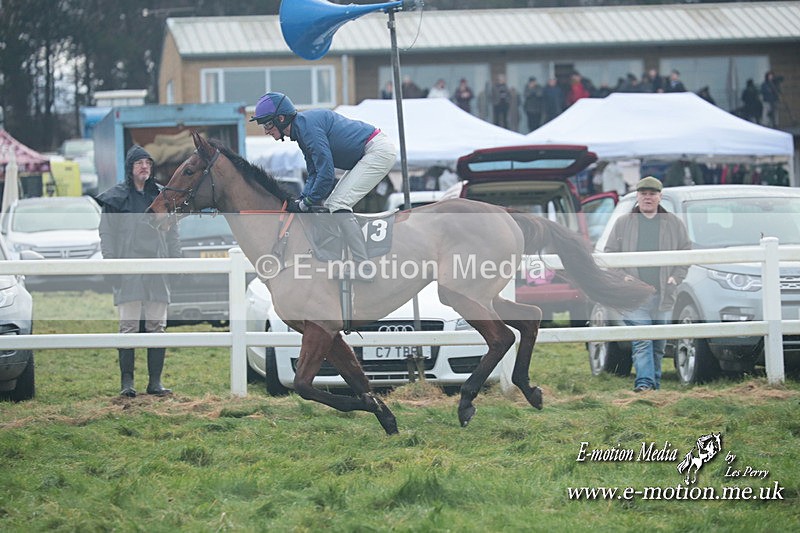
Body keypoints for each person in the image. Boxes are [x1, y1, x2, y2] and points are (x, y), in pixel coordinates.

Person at [251, 92, 396, 281]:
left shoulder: (307, 129)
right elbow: (314, 172)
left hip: (376, 151)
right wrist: (302, 199)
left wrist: (307, 202)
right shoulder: (302, 130)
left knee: (338, 204)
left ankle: (364, 267)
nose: (266, 131)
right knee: (332, 204)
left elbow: (326, 174)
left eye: (267, 124)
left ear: (281, 119)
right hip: (369, 151)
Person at [97, 145, 182, 398]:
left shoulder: (162, 196)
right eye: (139, 163)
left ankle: (155, 382)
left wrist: (177, 262)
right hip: (128, 270)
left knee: (157, 326)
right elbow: (107, 234)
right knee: (128, 326)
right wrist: (111, 265)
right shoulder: (115, 199)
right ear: (130, 168)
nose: (145, 167)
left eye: (148, 163)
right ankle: (127, 383)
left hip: (158, 268)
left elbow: (173, 233)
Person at [604, 177, 690, 392]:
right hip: (634, 294)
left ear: (660, 196)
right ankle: (644, 384)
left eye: (652, 194)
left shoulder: (673, 223)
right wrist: (623, 277)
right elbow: (610, 254)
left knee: (658, 344)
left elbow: (686, 252)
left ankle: (654, 387)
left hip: (664, 293)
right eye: (643, 194)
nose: (648, 198)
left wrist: (676, 278)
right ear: (638, 196)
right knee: (642, 340)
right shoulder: (623, 223)